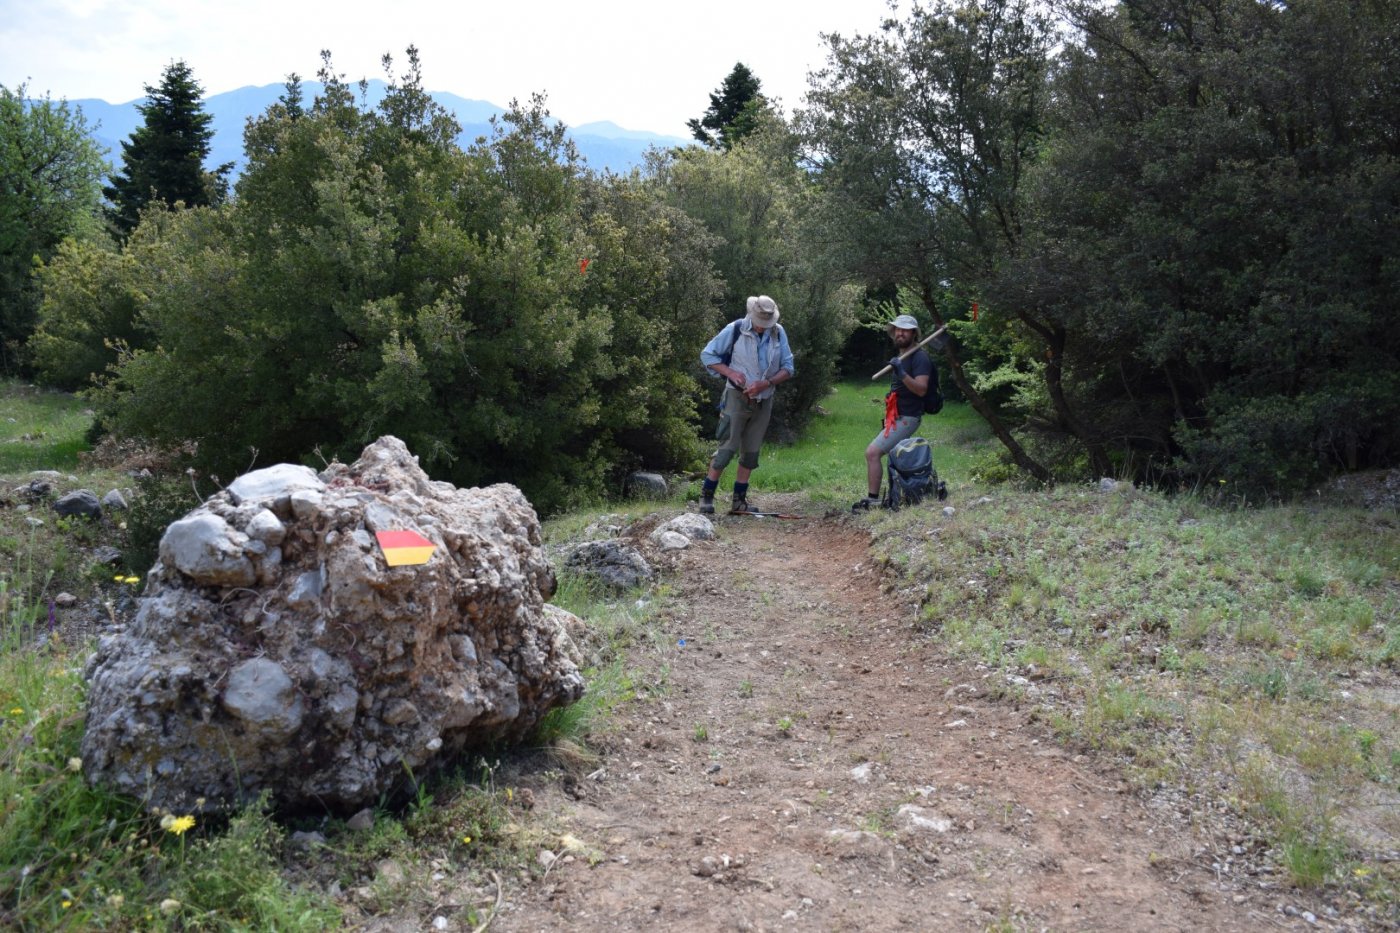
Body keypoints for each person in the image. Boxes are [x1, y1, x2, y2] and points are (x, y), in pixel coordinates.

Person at [698, 295, 795, 514]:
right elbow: (707, 355)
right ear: (752, 314)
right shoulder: (735, 329)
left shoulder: (778, 332)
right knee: (727, 447)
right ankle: (706, 496)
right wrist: (730, 372)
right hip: (736, 396)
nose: (762, 327)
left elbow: (789, 367)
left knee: (751, 451)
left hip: (764, 398)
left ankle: (739, 501)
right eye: (760, 321)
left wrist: (766, 383)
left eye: (766, 322)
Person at [854, 313, 935, 510]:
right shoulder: (903, 356)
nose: (900, 333)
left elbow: (921, 389)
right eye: (898, 329)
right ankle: (899, 494)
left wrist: (902, 373)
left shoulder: (920, 357)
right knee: (890, 456)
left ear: (913, 333)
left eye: (905, 330)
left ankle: (873, 499)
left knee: (872, 452)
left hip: (908, 417)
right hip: (897, 416)